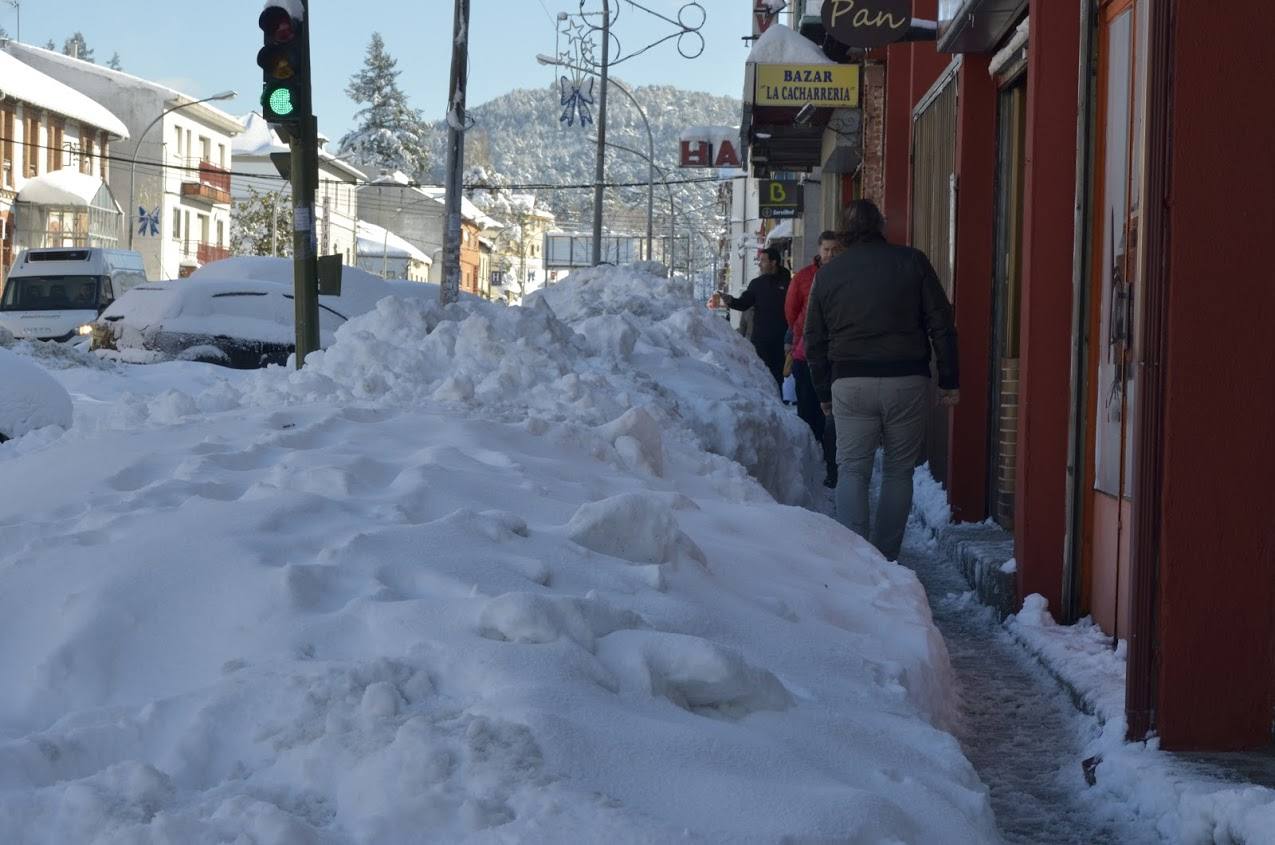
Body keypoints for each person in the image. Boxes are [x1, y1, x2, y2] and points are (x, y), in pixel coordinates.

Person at [804, 200, 959, 561]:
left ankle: (858, 559)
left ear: (843, 232)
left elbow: (814, 339)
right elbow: (941, 322)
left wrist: (823, 390)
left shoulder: (829, 273)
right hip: (905, 378)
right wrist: (949, 378)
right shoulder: (912, 262)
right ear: (881, 226)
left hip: (850, 382)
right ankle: (886, 556)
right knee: (898, 471)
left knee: (852, 469)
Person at [785, 231, 843, 487]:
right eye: (826, 249)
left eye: (835, 249)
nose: (830, 254)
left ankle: (832, 467)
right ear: (819, 250)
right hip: (806, 353)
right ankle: (810, 461)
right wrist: (801, 332)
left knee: (832, 416)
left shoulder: (847, 275)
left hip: (837, 355)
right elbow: (791, 309)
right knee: (808, 410)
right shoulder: (805, 276)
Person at [723, 246, 790, 393]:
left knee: (778, 376)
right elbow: (744, 303)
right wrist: (730, 301)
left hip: (782, 340)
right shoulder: (757, 284)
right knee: (762, 377)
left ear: (774, 262)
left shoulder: (788, 283)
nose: (760, 264)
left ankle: (779, 406)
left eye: (763, 261)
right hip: (760, 340)